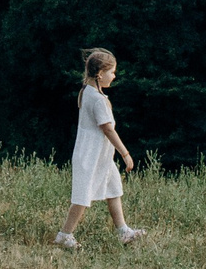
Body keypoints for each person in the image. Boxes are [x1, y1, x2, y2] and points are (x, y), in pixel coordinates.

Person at [55, 48, 142, 248]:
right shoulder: (96, 99)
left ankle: (123, 231)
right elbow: (108, 130)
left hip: (101, 155)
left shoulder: (89, 91)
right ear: (100, 73)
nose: (114, 76)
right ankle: (64, 235)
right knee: (82, 196)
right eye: (112, 72)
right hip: (90, 156)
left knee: (113, 188)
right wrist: (125, 153)